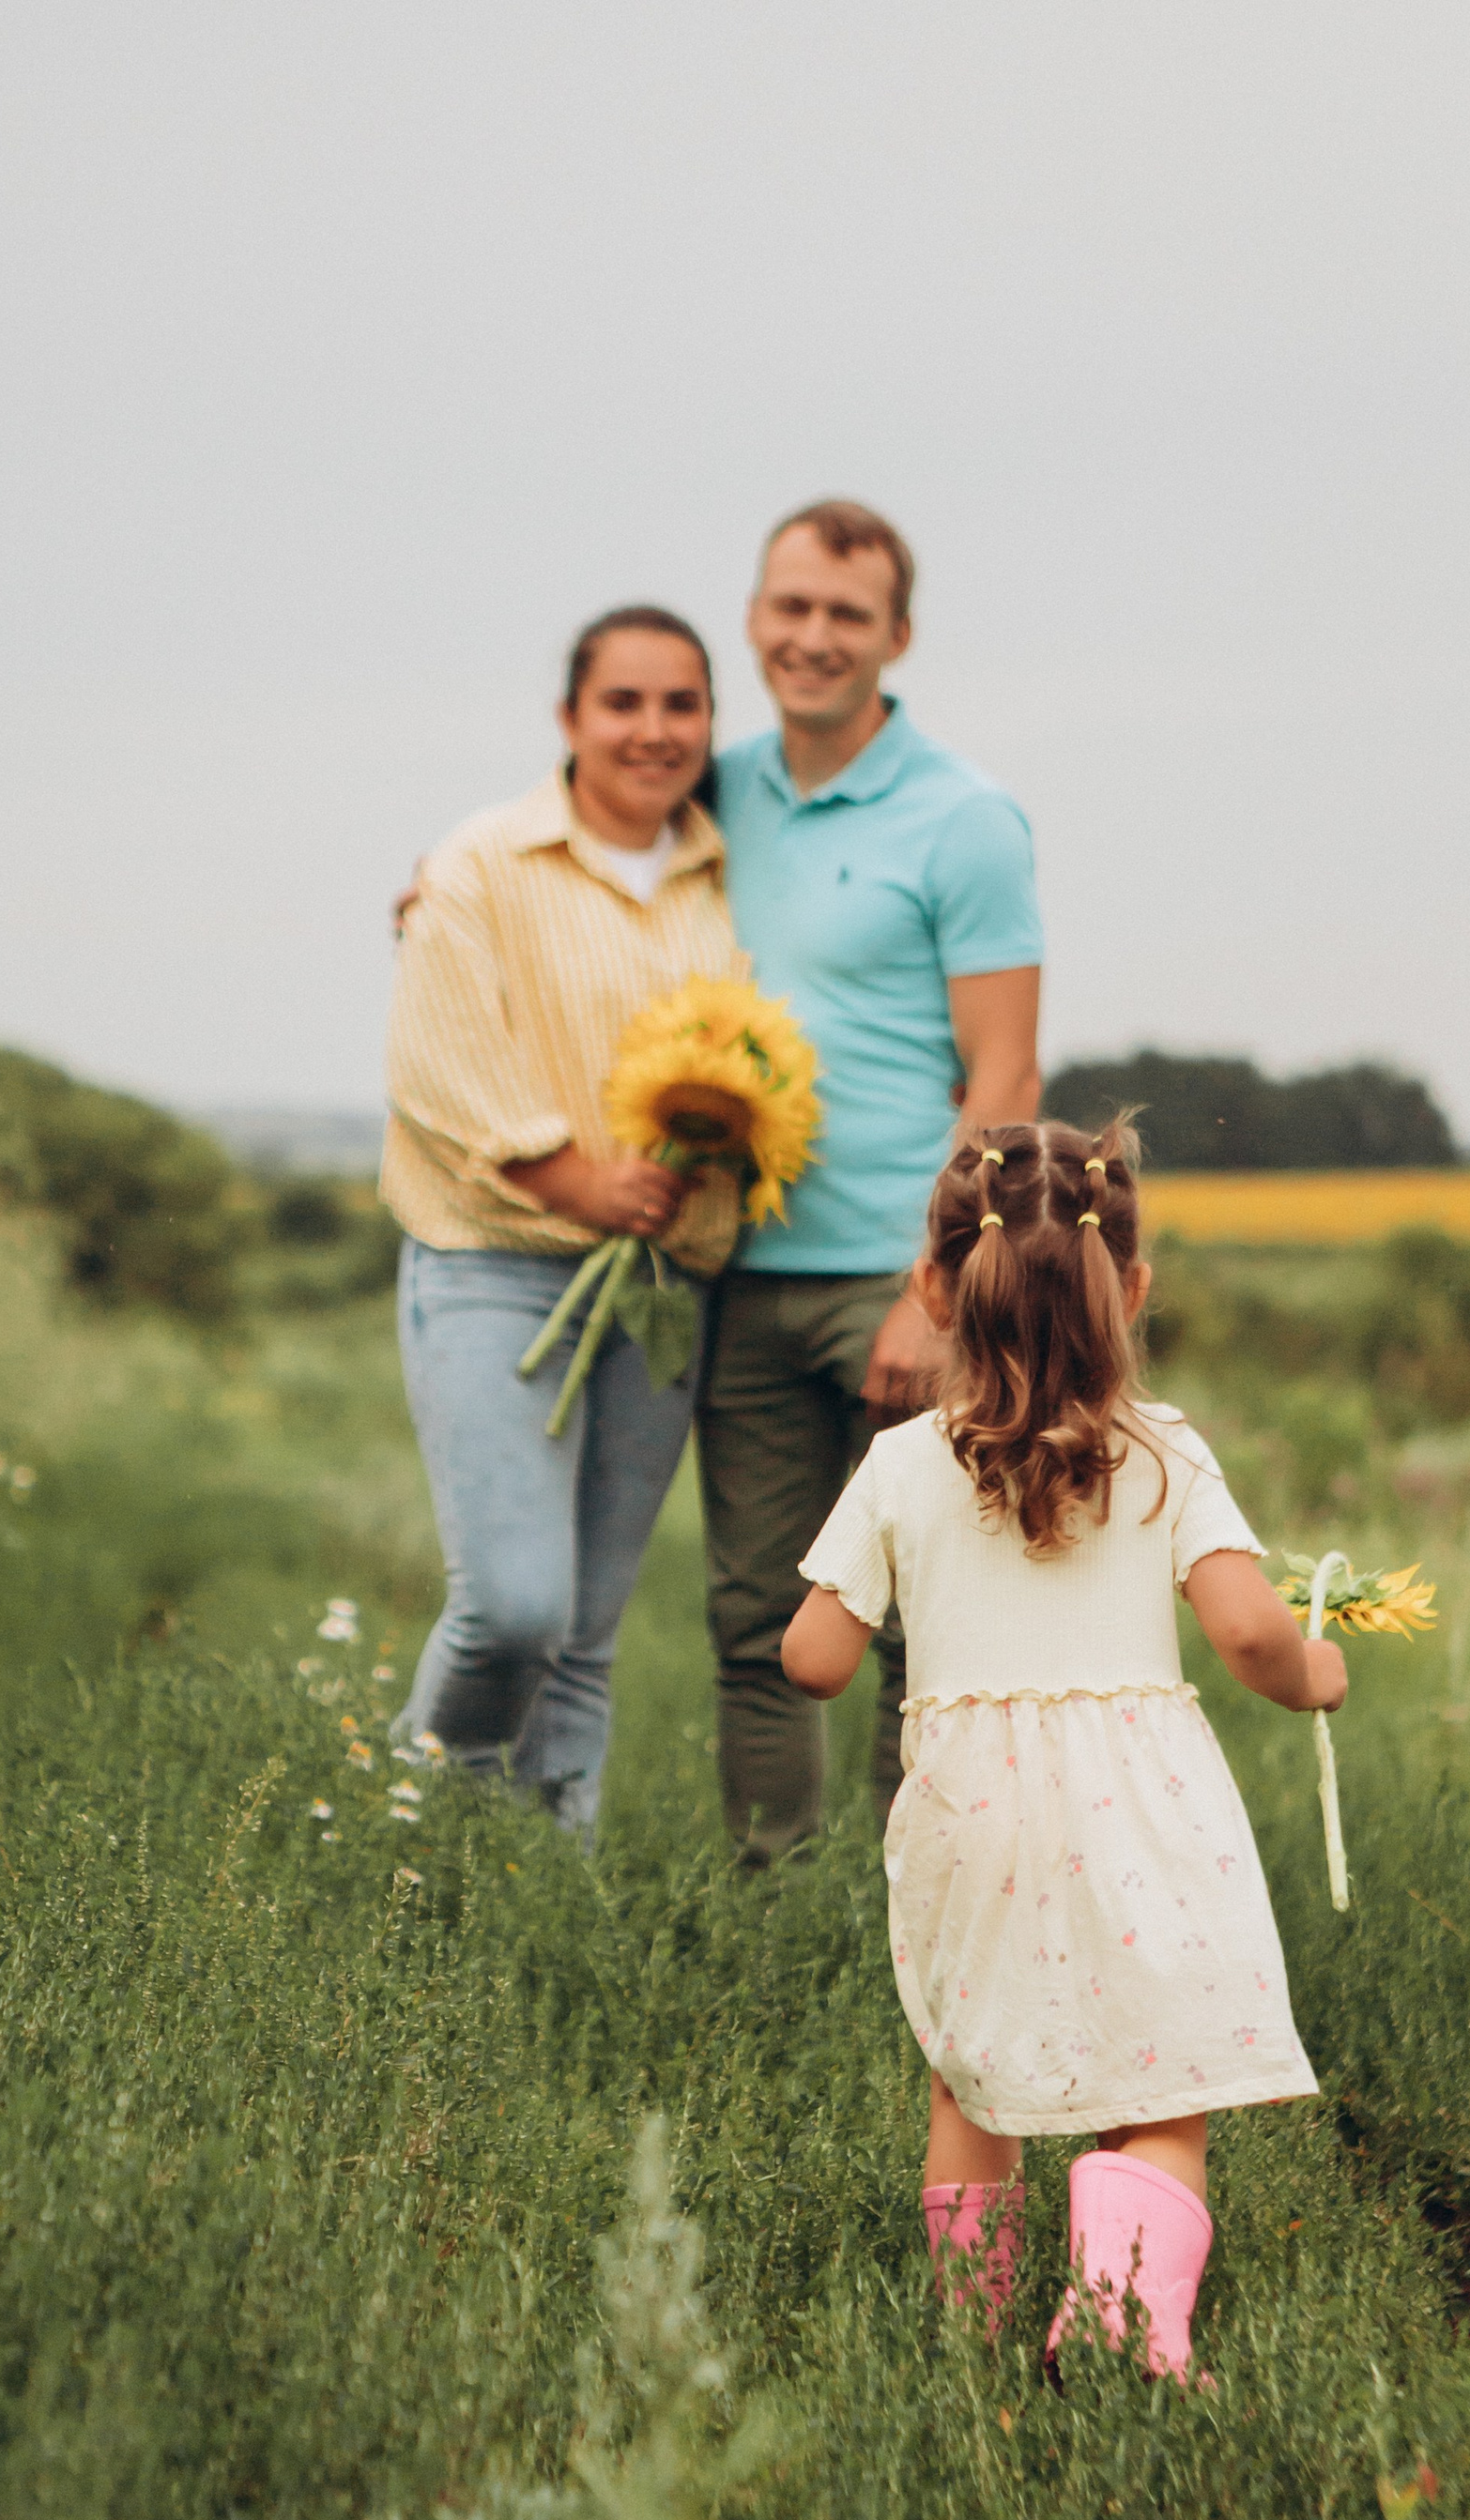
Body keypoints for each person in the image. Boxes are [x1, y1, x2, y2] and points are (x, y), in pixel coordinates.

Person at [780, 1120, 1344, 2379]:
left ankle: (975, 2347)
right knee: (1161, 2086)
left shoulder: (898, 1467)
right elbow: (1251, 1632)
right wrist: (1319, 1673)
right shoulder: (1165, 1450)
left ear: (933, 1290)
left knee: (971, 2085)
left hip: (968, 1812)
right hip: (1141, 1806)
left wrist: (866, 1592)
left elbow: (812, 1660)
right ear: (1132, 1290)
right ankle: (1119, 2308)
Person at [704, 500, 1044, 1862]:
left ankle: (928, 1910)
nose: (814, 637)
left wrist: (940, 1291)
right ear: (753, 619)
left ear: (896, 636)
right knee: (756, 1621)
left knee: (923, 1615)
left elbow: (1007, 1076)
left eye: (848, 614)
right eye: (791, 607)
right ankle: (771, 1912)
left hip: (896, 1282)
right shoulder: (712, 793)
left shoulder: (965, 819)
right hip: (739, 1278)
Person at [379, 607, 739, 1837]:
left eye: (681, 704)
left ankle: (546, 1890)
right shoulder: (483, 862)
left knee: (585, 1634)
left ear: (711, 723)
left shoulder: (734, 870)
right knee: (515, 1609)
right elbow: (437, 1055)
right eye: (623, 702)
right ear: (570, 719)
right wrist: (569, 1176)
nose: (653, 730)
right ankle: (427, 1845)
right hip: (497, 1265)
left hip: (663, 1286)